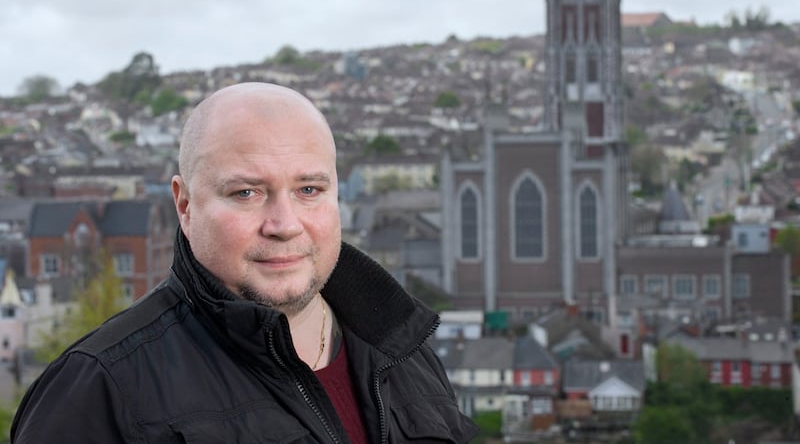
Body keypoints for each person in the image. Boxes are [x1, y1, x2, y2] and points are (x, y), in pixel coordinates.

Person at [11, 82, 478, 443]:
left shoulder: (406, 352)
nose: (284, 223)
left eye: (309, 190)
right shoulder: (100, 389)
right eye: (246, 193)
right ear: (185, 204)